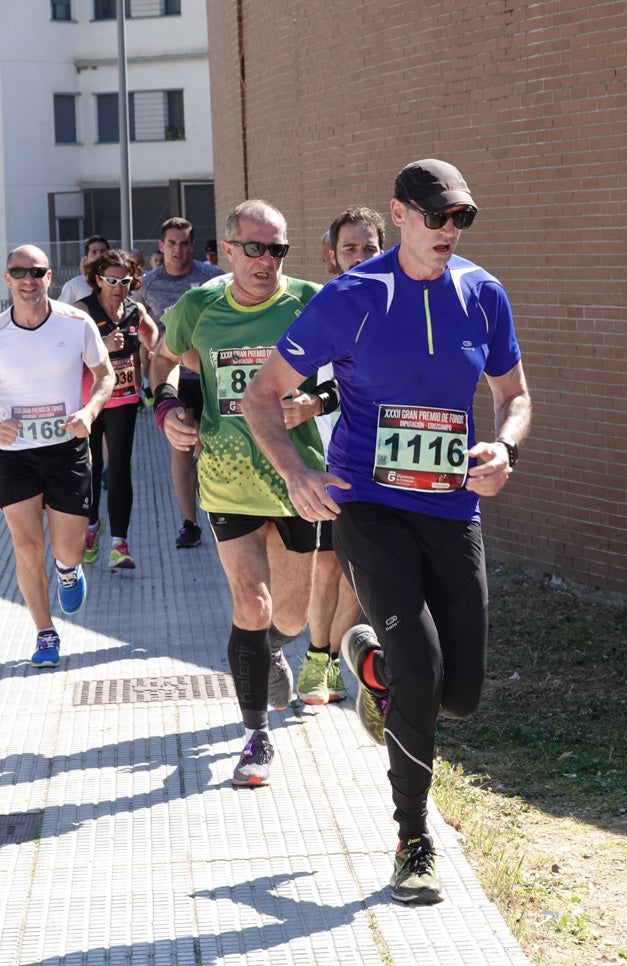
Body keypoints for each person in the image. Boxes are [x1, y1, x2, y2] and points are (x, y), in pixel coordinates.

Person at [242, 159, 532, 905]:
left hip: (449, 508)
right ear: (400, 213)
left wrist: (504, 447)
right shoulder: (353, 297)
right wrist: (296, 476)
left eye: (460, 219)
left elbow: (514, 395)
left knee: (458, 693)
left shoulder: (481, 293)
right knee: (422, 668)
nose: (448, 231)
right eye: (436, 217)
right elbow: (262, 395)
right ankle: (412, 840)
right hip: (366, 504)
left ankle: (367, 660)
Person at [149, 199, 326, 788]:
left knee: (293, 618)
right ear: (227, 251)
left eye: (277, 249)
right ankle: (256, 737)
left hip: (299, 479)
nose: (267, 261)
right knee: (251, 603)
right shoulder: (198, 306)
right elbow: (162, 363)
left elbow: (353, 374)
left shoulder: (309, 302)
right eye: (255, 248)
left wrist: (317, 402)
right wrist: (169, 408)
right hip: (228, 479)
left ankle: (272, 647)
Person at [286, 206, 386, 706]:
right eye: (351, 248)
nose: (361, 257)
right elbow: (321, 380)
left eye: (370, 248)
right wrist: (310, 402)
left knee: (356, 570)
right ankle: (316, 657)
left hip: (380, 461)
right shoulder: (322, 305)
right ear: (332, 257)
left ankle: (332, 654)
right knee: (325, 566)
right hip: (329, 455)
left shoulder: (396, 307)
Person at [0, 245, 114, 667]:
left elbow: (106, 375)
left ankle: (68, 569)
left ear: (50, 277)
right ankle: (45, 633)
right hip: (13, 454)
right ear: (7, 279)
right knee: (26, 545)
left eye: (37, 272)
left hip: (66, 449)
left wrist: (89, 410)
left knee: (67, 548)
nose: (28, 279)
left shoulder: (76, 322)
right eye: (19, 272)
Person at [137, 217, 223, 548]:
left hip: (211, 375)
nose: (178, 249)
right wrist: (149, 362)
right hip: (174, 376)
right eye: (171, 243)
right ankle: (190, 523)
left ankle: (220, 512)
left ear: (193, 245)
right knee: (182, 447)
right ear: (161, 246)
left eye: (184, 243)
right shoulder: (148, 283)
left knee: (210, 446)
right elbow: (141, 325)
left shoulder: (211, 278)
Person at [74, 250, 158, 570]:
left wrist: (160, 367)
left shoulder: (135, 311)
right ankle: (92, 526)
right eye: (111, 280)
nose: (118, 287)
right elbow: (66, 357)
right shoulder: (83, 311)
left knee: (120, 468)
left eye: (124, 281)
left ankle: (119, 544)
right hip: (89, 402)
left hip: (123, 399)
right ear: (98, 280)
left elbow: (155, 340)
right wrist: (101, 348)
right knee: (90, 469)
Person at [56, 235, 110, 305]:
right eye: (94, 252)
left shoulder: (116, 283)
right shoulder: (74, 285)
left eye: (103, 251)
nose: (99, 256)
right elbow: (62, 312)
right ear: (86, 259)